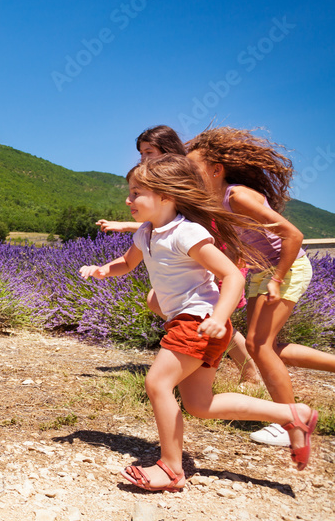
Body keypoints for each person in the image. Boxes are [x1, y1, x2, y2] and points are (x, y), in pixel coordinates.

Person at [79, 154, 317, 491]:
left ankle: (171, 469)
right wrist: (104, 269)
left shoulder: (186, 233)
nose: (128, 200)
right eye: (129, 192)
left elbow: (232, 276)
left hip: (200, 320)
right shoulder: (146, 233)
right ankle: (293, 415)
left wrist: (220, 318)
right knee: (199, 404)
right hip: (190, 322)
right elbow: (127, 263)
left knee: (158, 383)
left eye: (136, 193)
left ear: (166, 196)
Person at [188, 127, 335, 448]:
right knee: (268, 347)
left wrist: (277, 278)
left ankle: (290, 422)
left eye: (194, 169)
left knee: (259, 346)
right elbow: (238, 245)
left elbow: (292, 235)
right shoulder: (216, 202)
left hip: (287, 267)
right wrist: (220, 277)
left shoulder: (236, 195)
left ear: (216, 170)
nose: (189, 175)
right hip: (259, 270)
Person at [97, 125, 261, 385]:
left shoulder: (183, 178)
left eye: (148, 152)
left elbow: (187, 221)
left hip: (207, 253)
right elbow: (161, 222)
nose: (143, 159)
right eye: (141, 154)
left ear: (166, 152)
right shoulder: (158, 186)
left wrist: (234, 251)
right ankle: (197, 350)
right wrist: (128, 228)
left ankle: (244, 368)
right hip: (192, 251)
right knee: (167, 303)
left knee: (211, 312)